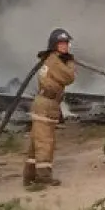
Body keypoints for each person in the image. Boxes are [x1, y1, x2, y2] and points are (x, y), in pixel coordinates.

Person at [24, 27, 77, 188]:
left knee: (37, 141)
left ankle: (30, 175)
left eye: (66, 44)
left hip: (47, 103)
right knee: (46, 141)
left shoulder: (51, 59)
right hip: (46, 104)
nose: (65, 47)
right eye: (61, 44)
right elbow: (69, 77)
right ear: (54, 45)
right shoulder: (54, 60)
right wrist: (70, 62)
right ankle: (43, 177)